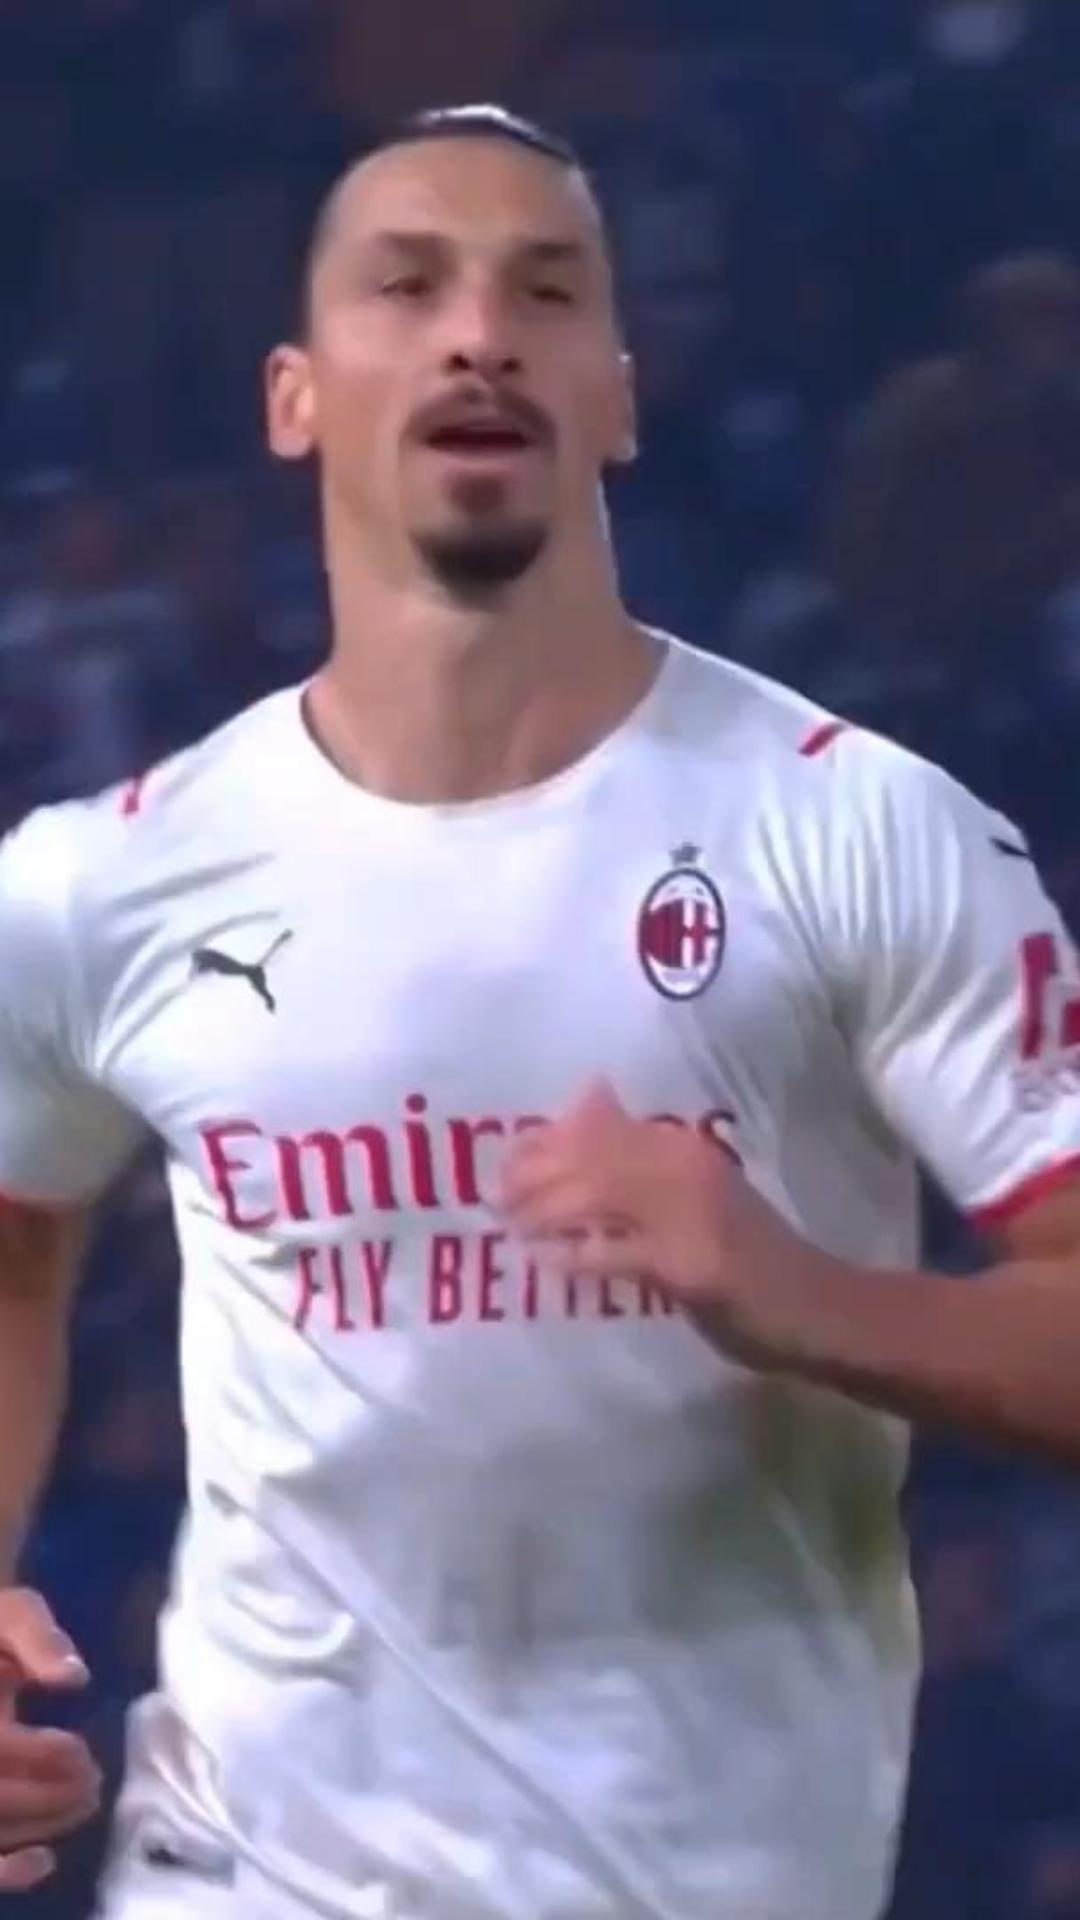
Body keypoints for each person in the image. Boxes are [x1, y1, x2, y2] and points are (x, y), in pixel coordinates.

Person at [2, 105, 1080, 1920]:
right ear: (293, 397)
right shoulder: (95, 881)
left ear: (621, 400)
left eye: (547, 291)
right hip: (247, 1870)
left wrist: (804, 1296)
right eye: (408, 286)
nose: (479, 334)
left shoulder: (863, 832)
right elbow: (17, 1232)